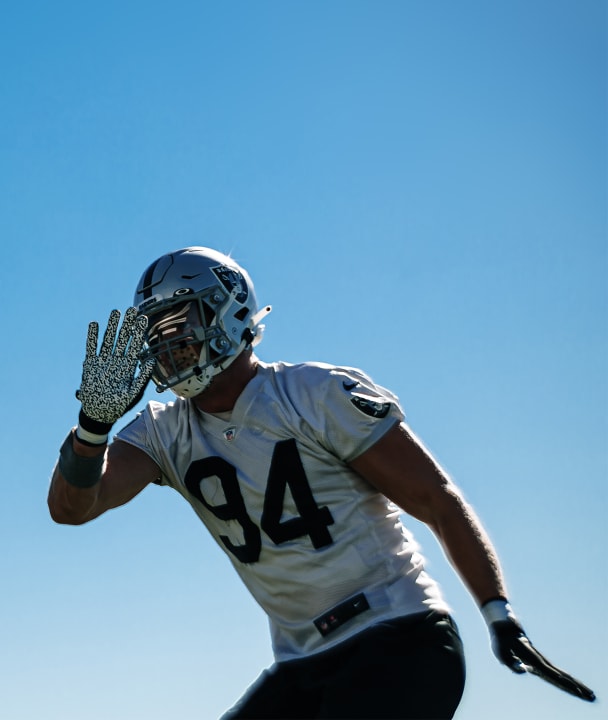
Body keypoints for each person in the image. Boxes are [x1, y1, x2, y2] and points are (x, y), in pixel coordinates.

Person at [48, 247, 596, 719]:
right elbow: (73, 507)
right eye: (157, 332)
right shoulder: (165, 431)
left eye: (180, 324)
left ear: (227, 313)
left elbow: (436, 499)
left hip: (398, 637)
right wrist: (92, 428)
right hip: (302, 662)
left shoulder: (313, 393)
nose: (170, 345)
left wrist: (497, 612)